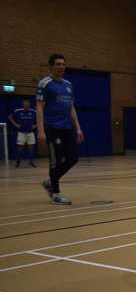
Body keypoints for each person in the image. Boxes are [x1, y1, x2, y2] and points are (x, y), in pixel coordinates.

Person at [37, 54, 84, 205]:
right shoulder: (45, 84)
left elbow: (71, 108)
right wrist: (41, 131)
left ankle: (50, 180)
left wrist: (78, 128)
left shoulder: (68, 85)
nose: (61, 67)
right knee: (55, 161)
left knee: (73, 158)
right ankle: (55, 193)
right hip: (51, 128)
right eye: (58, 64)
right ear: (51, 66)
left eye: (63, 64)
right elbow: (39, 107)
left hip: (66, 128)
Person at [8, 99, 37, 168]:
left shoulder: (33, 111)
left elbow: (40, 118)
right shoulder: (18, 111)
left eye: (28, 106)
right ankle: (18, 162)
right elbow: (10, 117)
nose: (27, 107)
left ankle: (31, 162)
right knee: (20, 148)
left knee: (31, 147)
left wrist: (36, 125)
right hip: (21, 132)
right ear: (23, 105)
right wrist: (16, 124)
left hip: (30, 132)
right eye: (25, 106)